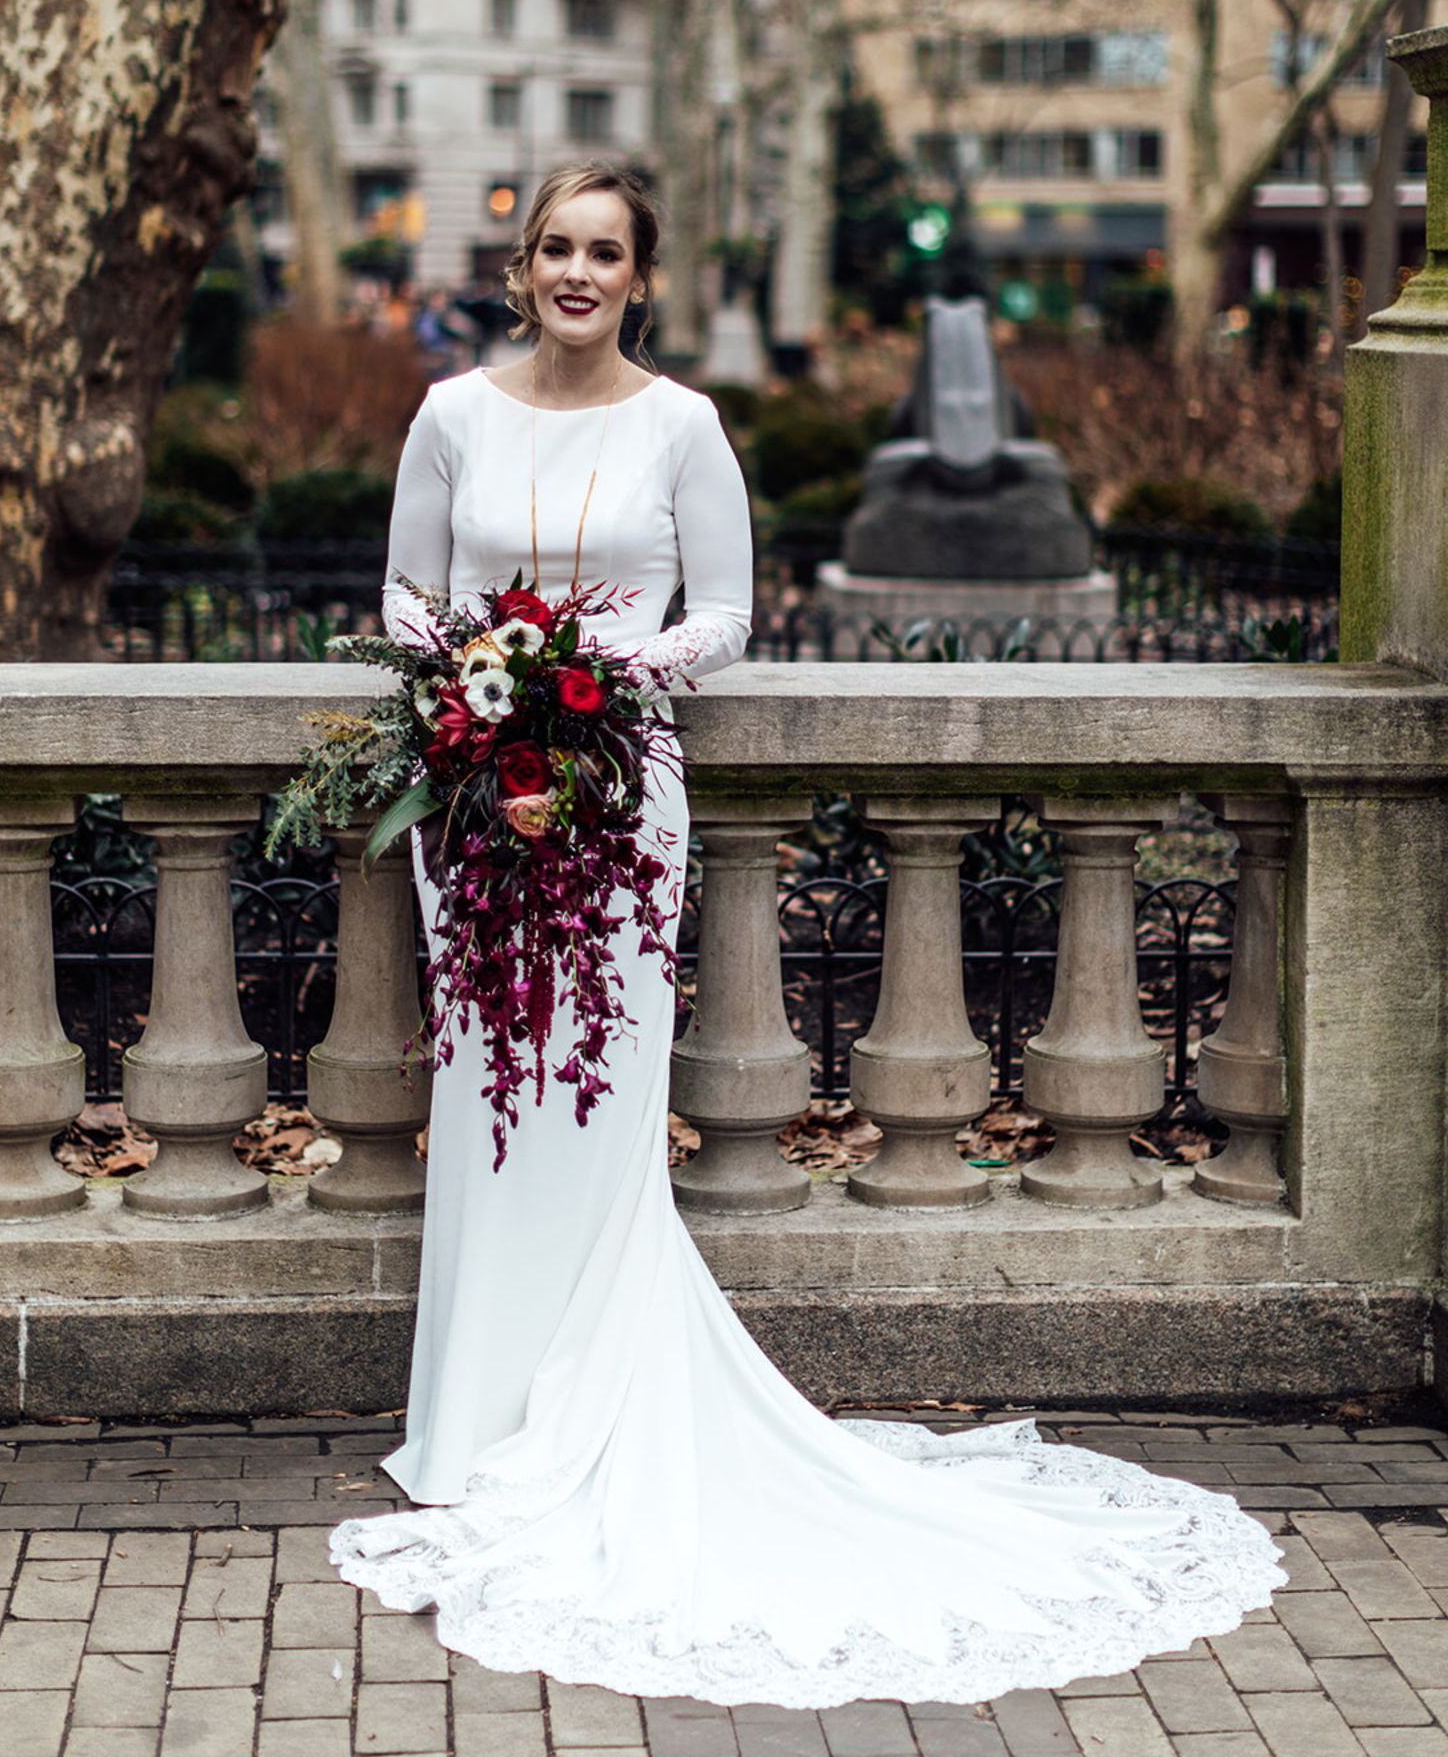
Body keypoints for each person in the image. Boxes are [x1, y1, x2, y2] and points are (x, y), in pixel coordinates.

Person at [328, 162, 1287, 1704]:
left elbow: (727, 618)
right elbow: (402, 595)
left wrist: (593, 678)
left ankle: (584, 1409)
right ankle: (470, 1422)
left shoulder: (684, 426)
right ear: (522, 266)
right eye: (556, 249)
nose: (578, 273)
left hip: (618, 795)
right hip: (476, 795)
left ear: (641, 277)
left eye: (607, 253)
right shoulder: (450, 414)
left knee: (596, 1102)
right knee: (488, 1092)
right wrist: (486, 675)